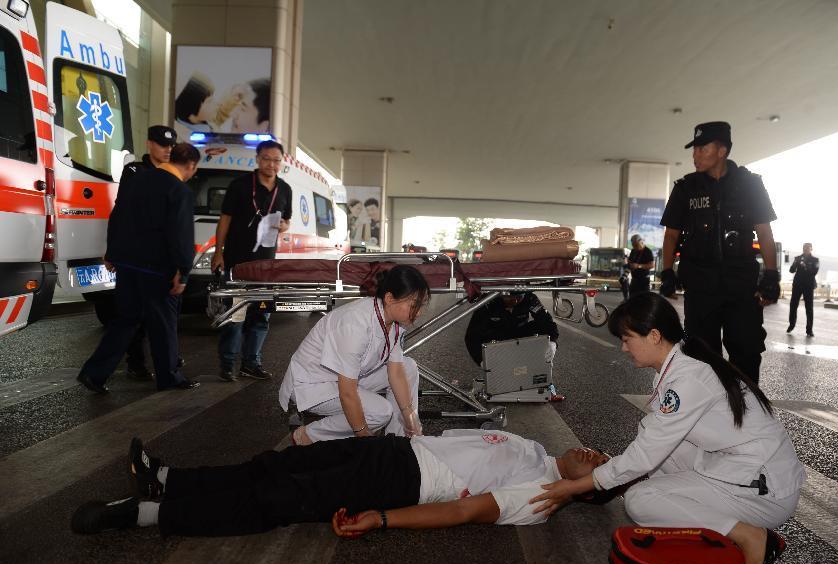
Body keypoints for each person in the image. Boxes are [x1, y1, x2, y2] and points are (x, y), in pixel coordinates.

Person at [529, 293, 805, 564]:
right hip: (746, 472)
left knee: (640, 500)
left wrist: (574, 487)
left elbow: (644, 455)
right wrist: (612, 477)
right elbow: (653, 447)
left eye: (627, 339)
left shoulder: (688, 378)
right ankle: (719, 532)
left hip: (765, 491)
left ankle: (750, 535)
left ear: (654, 336)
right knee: (656, 453)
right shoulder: (681, 365)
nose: (624, 348)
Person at [70, 432, 609, 537]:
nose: (591, 454)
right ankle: (166, 480)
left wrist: (382, 518)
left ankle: (142, 514)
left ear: (589, 490)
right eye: (599, 451)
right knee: (274, 466)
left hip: (402, 479)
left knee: (276, 500)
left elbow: (464, 512)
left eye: (598, 465)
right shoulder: (537, 449)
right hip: (393, 449)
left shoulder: (542, 496)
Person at [658, 121, 779, 384]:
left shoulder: (750, 185)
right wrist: (667, 272)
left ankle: (746, 408)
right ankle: (709, 409)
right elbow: (671, 235)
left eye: (702, 148)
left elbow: (764, 232)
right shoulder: (686, 188)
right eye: (694, 149)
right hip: (700, 286)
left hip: (741, 285)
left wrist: (771, 275)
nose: (695, 155)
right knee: (702, 356)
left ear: (722, 150)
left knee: (746, 351)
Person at [77, 144, 201, 393]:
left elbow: (117, 215)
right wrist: (183, 270)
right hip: (158, 268)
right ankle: (169, 377)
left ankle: (94, 373)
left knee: (126, 320)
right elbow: (181, 234)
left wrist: (112, 252)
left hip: (127, 264)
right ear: (191, 166)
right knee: (164, 324)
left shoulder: (137, 180)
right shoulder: (180, 190)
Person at [279, 265, 429, 444]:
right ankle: (309, 435)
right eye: (414, 305)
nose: (419, 312)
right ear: (389, 298)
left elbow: (396, 371)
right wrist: (364, 436)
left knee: (408, 367)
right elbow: (348, 393)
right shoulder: (355, 324)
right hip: (314, 384)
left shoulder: (394, 321)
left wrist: (409, 414)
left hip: (348, 377)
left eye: (421, 305)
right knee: (380, 412)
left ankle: (399, 441)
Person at [210, 140, 292, 381]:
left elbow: (287, 222)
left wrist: (283, 226)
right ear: (257, 159)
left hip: (266, 266)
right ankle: (227, 365)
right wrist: (218, 252)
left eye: (276, 160)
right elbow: (225, 220)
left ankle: (251, 364)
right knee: (235, 315)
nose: (271, 164)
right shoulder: (240, 185)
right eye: (266, 159)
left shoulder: (285, 189)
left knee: (261, 315)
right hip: (238, 263)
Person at [108, 125, 179, 382]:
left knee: (163, 315)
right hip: (134, 255)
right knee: (133, 313)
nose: (168, 150)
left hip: (161, 257)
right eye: (162, 144)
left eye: (171, 146)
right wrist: (112, 250)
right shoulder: (135, 171)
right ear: (149, 144)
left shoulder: (174, 172)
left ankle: (169, 360)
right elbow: (120, 211)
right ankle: (136, 362)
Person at [464, 292, 560, 367]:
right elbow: (472, 335)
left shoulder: (529, 298)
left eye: (519, 297)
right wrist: (481, 360)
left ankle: (540, 362)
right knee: (479, 333)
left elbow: (546, 321)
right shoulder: (487, 301)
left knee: (541, 326)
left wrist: (553, 342)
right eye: (510, 297)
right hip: (496, 337)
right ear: (500, 294)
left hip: (520, 333)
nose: (515, 301)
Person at [787, 243, 819, 336]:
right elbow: (791, 270)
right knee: (793, 305)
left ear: (811, 249)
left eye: (808, 248)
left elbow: (814, 272)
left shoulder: (815, 260)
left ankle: (809, 330)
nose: (806, 249)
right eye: (804, 248)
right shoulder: (797, 258)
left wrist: (805, 265)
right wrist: (795, 263)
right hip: (797, 285)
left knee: (809, 308)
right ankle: (791, 325)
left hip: (808, 286)